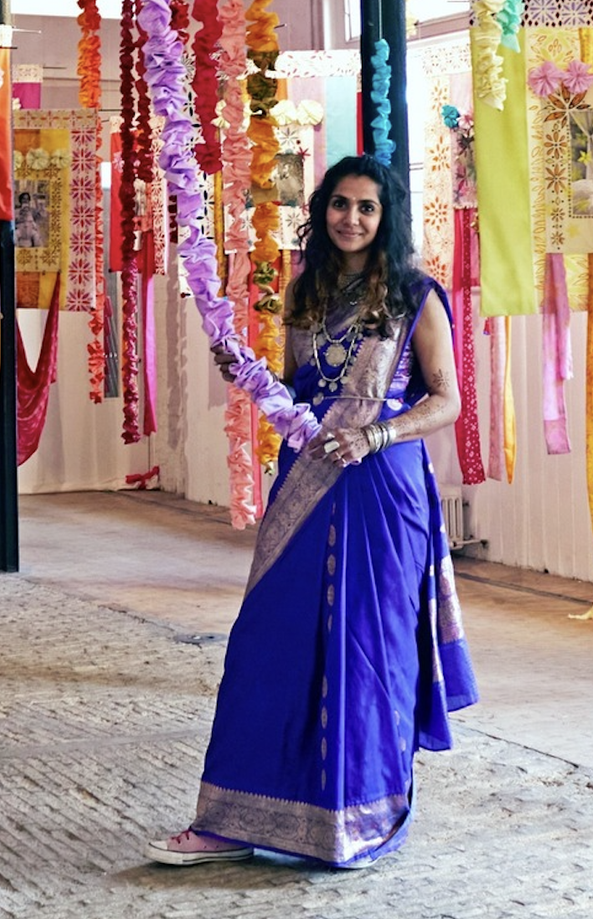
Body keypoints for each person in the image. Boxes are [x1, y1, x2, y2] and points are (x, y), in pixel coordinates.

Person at [147, 154, 477, 870]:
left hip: (383, 490)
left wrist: (375, 433)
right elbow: (301, 388)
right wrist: (250, 377)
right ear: (320, 209)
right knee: (271, 638)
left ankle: (358, 816)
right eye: (339, 204)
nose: (350, 218)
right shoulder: (306, 294)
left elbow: (446, 399)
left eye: (366, 207)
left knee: (367, 651)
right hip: (307, 481)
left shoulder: (415, 296)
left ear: (385, 218)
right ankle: (234, 815)